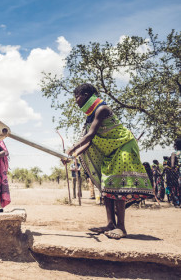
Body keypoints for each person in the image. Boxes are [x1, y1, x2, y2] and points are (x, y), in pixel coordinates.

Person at [65, 83, 153, 239]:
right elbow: (88, 143)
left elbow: (90, 136)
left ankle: (121, 228)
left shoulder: (101, 109)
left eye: (76, 97)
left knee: (117, 184)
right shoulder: (90, 116)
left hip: (124, 145)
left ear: (86, 95)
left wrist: (71, 149)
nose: (76, 101)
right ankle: (110, 224)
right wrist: (72, 156)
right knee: (107, 185)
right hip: (111, 150)